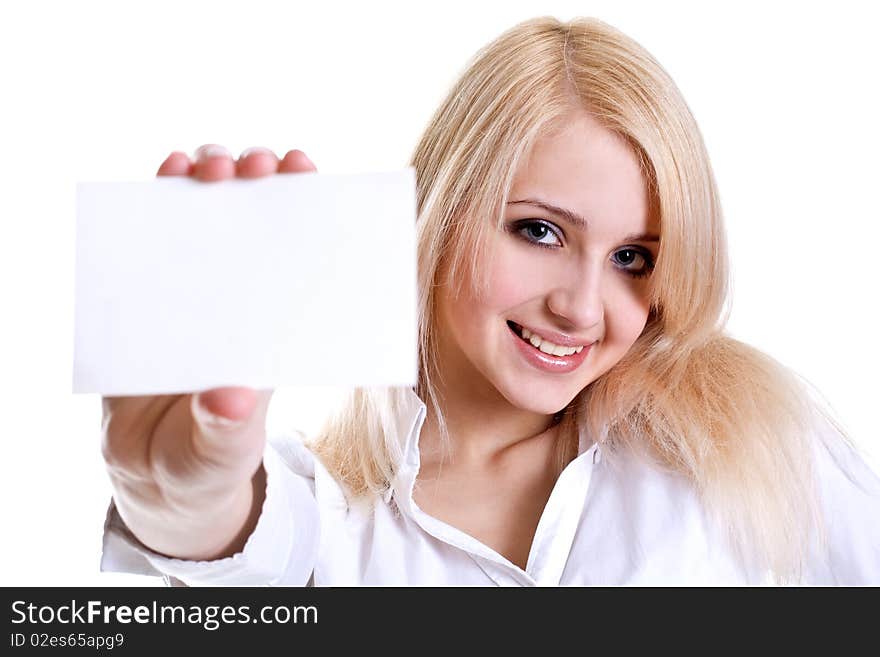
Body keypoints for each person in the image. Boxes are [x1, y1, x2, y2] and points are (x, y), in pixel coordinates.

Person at [100, 16, 879, 585]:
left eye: (632, 258)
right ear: (444, 211)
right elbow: (235, 545)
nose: (581, 307)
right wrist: (175, 500)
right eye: (539, 231)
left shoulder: (747, 439)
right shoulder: (330, 520)